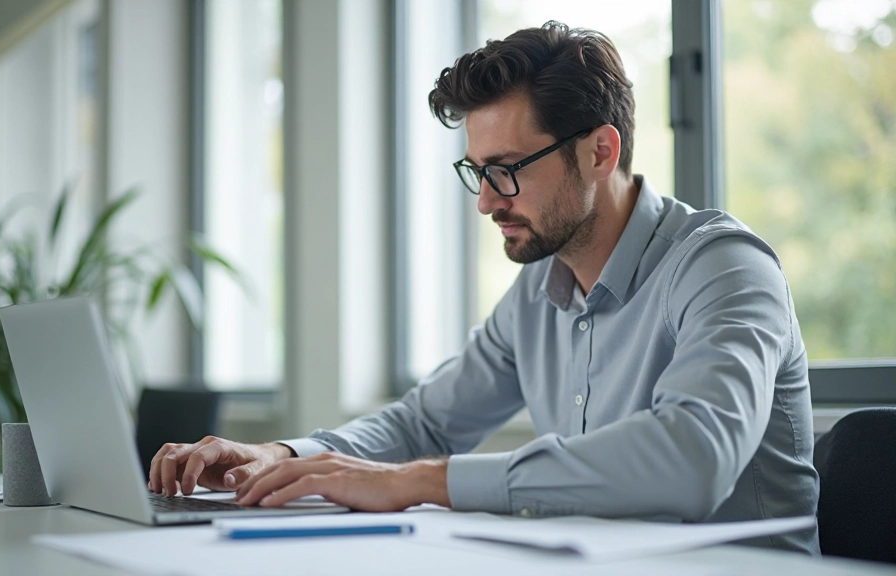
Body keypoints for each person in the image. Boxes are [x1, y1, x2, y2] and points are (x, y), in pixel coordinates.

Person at [149, 21, 819, 554]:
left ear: (601, 151)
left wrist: (422, 482)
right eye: (478, 173)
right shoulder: (539, 293)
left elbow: (694, 458)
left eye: (506, 170)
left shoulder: (725, 268)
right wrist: (284, 454)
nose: (486, 204)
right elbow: (426, 421)